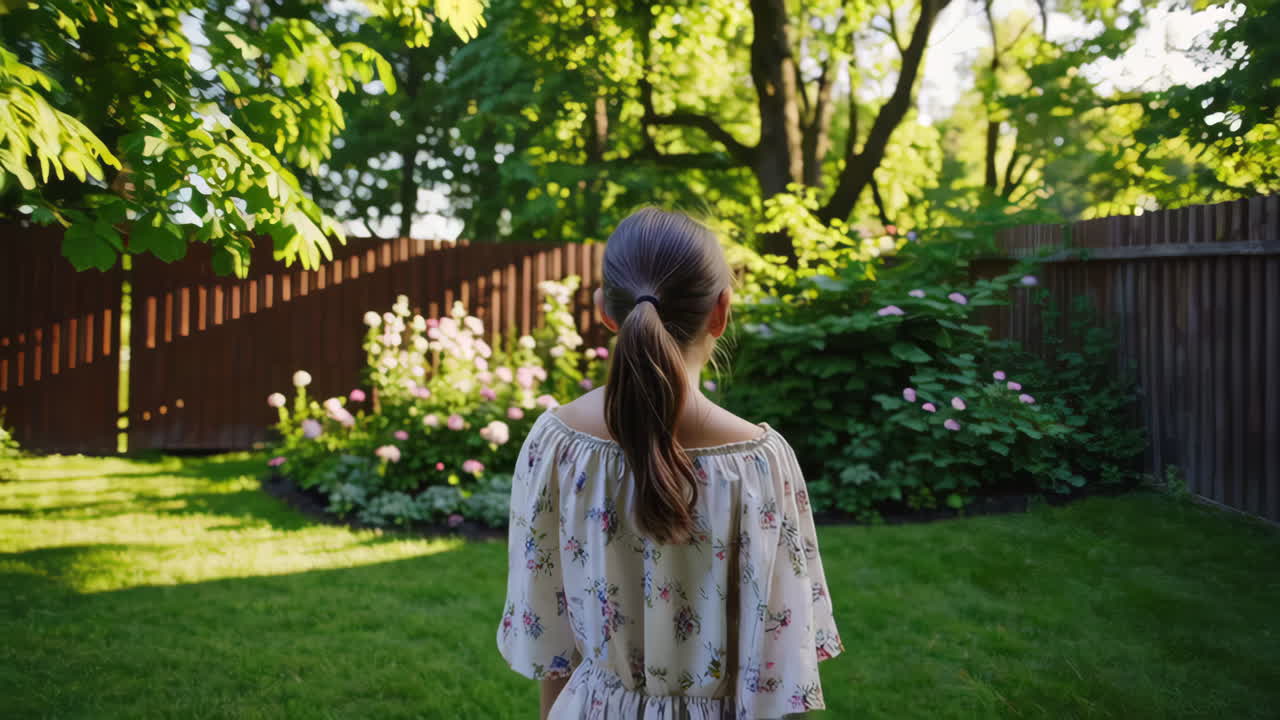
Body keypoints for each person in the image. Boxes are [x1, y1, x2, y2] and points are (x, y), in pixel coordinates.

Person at [497, 207, 843, 719]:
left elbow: (549, 643)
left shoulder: (556, 446)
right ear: (721, 312)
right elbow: (780, 668)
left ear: (605, 311)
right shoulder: (760, 465)